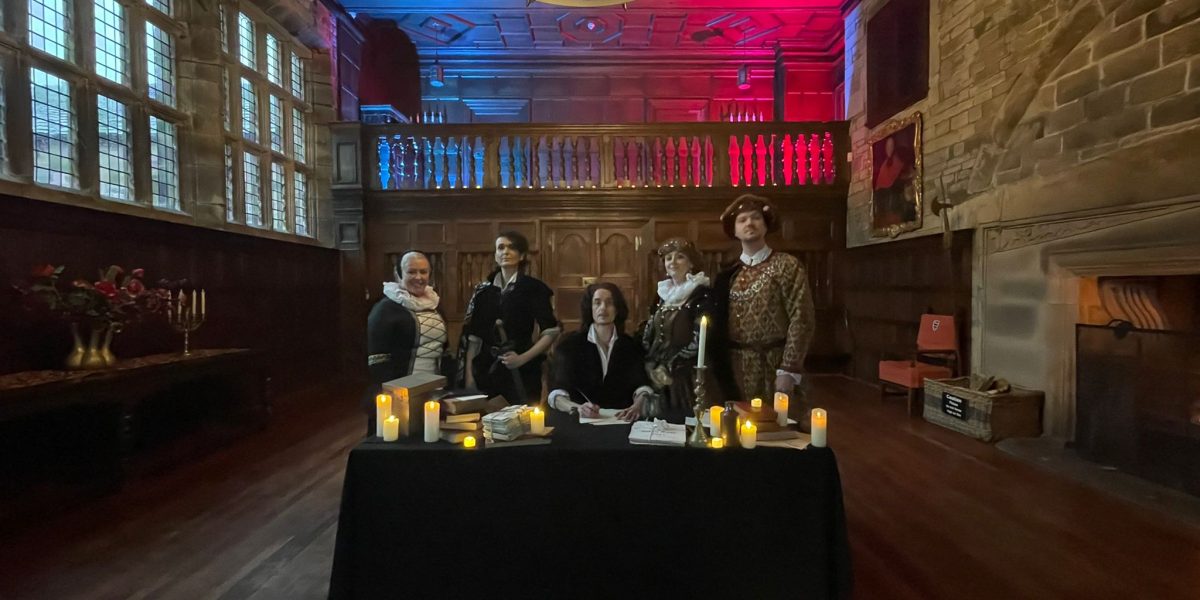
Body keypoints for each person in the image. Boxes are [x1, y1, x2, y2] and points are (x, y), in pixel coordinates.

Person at [712, 194, 816, 428]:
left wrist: (789, 368)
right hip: (737, 367)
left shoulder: (787, 266)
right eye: (742, 220)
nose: (749, 223)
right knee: (740, 432)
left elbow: (802, 318)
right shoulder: (728, 275)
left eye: (756, 218)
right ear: (734, 230)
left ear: (766, 224)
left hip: (775, 364)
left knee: (782, 429)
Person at [460, 231, 559, 404]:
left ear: (521, 255)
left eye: (512, 247)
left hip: (523, 371)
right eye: (501, 248)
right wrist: (469, 377)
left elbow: (550, 332)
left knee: (523, 423)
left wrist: (521, 359)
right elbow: (474, 338)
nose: (505, 252)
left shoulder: (534, 288)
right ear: (496, 256)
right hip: (486, 370)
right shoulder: (483, 292)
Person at [363, 251, 452, 435]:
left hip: (435, 388)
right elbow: (378, 361)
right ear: (398, 275)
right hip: (400, 393)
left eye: (423, 272)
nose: (419, 277)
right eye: (411, 272)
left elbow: (444, 349)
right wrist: (396, 397)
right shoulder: (385, 309)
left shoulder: (435, 304)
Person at [548, 283, 653, 422]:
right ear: (590, 308)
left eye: (609, 303)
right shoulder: (569, 346)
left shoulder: (631, 346)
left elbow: (642, 386)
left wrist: (638, 405)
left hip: (622, 421)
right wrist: (576, 408)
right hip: (581, 424)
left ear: (617, 309)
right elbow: (556, 394)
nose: (603, 308)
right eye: (597, 303)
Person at [641, 238, 713, 411]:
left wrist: (670, 366)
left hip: (686, 376)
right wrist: (648, 361)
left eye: (679, 257)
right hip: (656, 375)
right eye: (668, 258)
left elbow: (700, 338)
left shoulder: (701, 294)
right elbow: (649, 330)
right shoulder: (662, 294)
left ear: (690, 264)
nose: (672, 262)